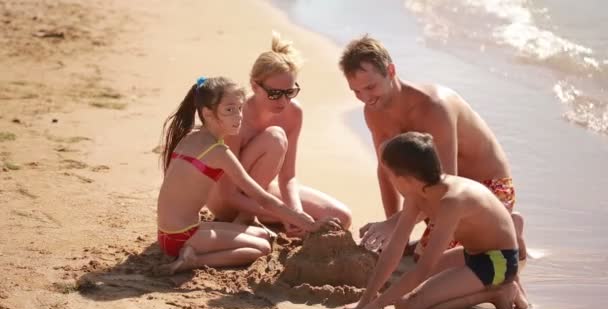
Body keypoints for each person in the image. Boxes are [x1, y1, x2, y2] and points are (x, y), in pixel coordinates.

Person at [339, 34, 526, 261]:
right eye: (356, 91)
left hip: (488, 190)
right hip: (437, 198)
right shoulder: (374, 110)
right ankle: (494, 231)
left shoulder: (434, 107)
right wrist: (398, 235)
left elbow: (449, 183)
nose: (365, 98)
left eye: (370, 87)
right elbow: (386, 169)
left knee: (441, 262)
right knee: (417, 250)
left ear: (390, 71)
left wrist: (395, 225)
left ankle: (507, 227)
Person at [341, 132, 528, 309]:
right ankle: (493, 287)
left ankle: (496, 293)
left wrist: (377, 305)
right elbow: (394, 247)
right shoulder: (417, 194)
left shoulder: (453, 201)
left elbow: (424, 269)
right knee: (403, 291)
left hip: (499, 261)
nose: (389, 180)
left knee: (407, 308)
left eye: (389, 174)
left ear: (406, 180)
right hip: (471, 255)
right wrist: (366, 301)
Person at [156, 76, 340, 275]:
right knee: (262, 248)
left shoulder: (191, 136)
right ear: (208, 113)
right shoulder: (218, 152)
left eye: (240, 108)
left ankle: (192, 251)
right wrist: (309, 224)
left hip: (170, 233)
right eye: (229, 110)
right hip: (182, 237)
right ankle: (194, 260)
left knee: (261, 233)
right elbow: (262, 198)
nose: (238, 117)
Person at [206, 32, 352, 237]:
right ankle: (246, 220)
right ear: (255, 85)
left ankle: (257, 218)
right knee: (275, 137)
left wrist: (295, 211)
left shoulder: (293, 113)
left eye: (289, 92)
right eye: (275, 94)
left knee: (339, 218)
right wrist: (285, 214)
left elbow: (288, 176)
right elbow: (228, 192)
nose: (282, 102)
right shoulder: (238, 117)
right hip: (225, 198)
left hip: (260, 191)